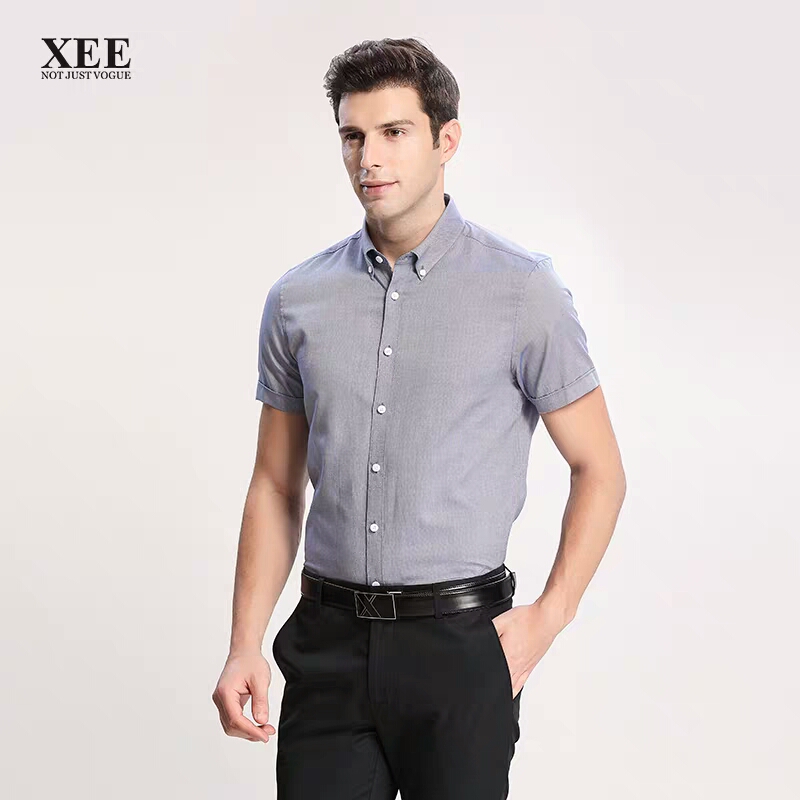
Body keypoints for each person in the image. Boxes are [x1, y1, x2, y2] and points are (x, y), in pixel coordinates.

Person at [212, 36, 626, 799]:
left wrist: (548, 617)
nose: (369, 157)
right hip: (328, 645)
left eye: (394, 132)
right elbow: (275, 484)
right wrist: (245, 643)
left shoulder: (522, 291)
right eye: (353, 136)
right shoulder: (297, 299)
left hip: (461, 648)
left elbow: (599, 468)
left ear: (446, 140)